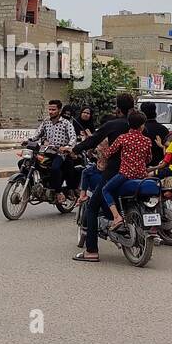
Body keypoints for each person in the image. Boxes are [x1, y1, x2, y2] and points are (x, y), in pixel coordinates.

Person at [66, 93, 135, 263]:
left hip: (114, 172)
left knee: (92, 207)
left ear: (117, 108)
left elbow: (92, 141)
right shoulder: (139, 127)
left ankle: (91, 251)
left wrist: (74, 150)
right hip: (137, 172)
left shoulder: (112, 125)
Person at [100, 110, 152, 233]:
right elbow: (149, 159)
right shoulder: (147, 141)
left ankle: (117, 217)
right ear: (142, 125)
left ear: (129, 123)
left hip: (125, 175)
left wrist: (102, 151)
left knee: (105, 190)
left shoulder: (123, 138)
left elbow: (108, 153)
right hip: (142, 176)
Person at [35, 99, 78, 203]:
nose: (51, 112)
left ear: (59, 110)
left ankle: (58, 192)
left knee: (55, 168)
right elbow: (37, 133)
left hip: (60, 153)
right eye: (49, 109)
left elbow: (73, 138)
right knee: (26, 162)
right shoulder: (46, 121)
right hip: (46, 151)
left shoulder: (66, 123)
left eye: (53, 109)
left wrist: (67, 147)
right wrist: (28, 140)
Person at [140, 102, 170, 167]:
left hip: (142, 166)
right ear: (155, 113)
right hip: (160, 166)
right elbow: (169, 150)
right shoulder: (164, 129)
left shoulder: (139, 130)